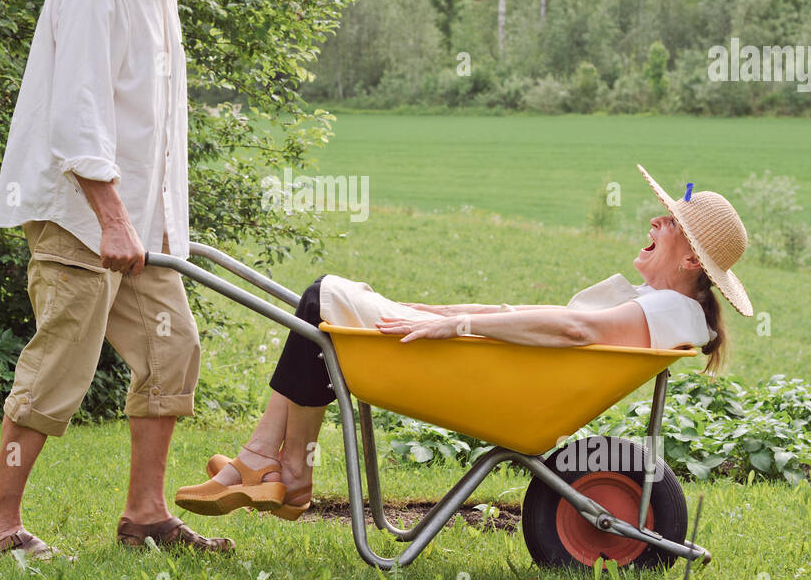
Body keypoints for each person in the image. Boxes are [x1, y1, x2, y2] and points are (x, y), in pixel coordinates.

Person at [174, 164, 754, 522]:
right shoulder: (673, 310)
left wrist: (459, 328)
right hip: (504, 374)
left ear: (688, 259)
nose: (655, 223)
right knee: (321, 310)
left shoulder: (668, 309)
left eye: (669, 222)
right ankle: (279, 468)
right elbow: (531, 314)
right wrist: (445, 311)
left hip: (501, 382)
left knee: (322, 299)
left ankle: (274, 465)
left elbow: (578, 331)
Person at [0, 0, 247, 558]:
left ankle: (145, 516)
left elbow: (147, 126)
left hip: (135, 225)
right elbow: (80, 117)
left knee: (171, 346)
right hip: (77, 215)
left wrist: (151, 225)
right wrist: (112, 217)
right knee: (61, 362)